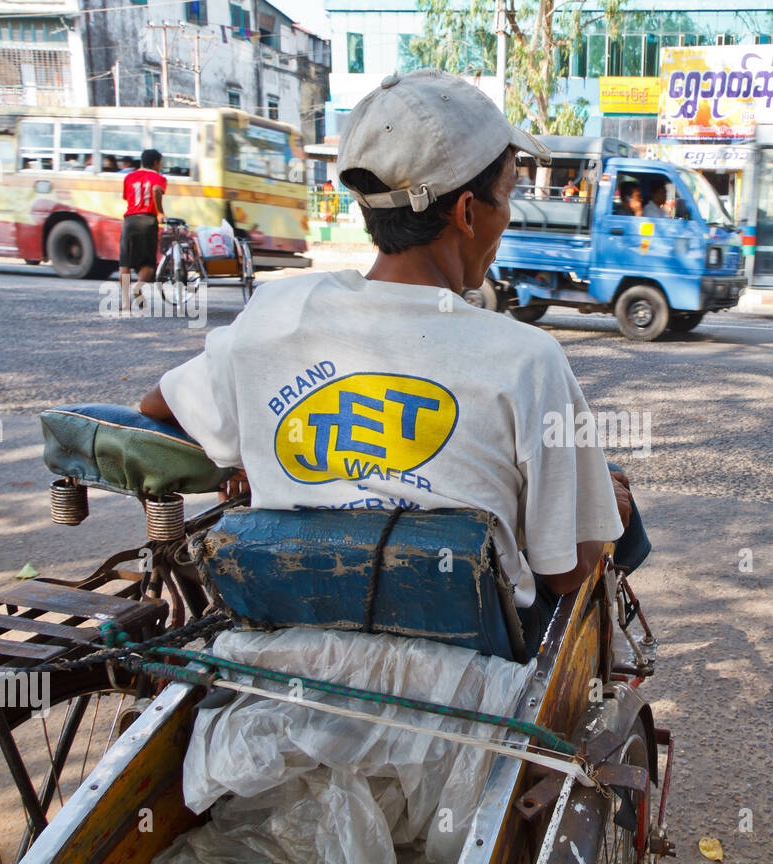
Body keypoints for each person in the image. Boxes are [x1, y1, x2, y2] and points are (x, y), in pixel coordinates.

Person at [138, 68, 633, 643]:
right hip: (469, 677)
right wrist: (608, 516)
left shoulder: (277, 311)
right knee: (613, 511)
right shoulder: (526, 357)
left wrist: (261, 450)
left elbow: (156, 404)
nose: (507, 219)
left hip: (291, 644)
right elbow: (565, 569)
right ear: (468, 213)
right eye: (507, 199)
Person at [119, 148, 166, 313]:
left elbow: (127, 197)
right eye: (160, 162)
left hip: (130, 220)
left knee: (125, 262)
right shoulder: (158, 178)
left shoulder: (129, 177)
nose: (160, 166)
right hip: (148, 220)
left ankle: (125, 302)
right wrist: (160, 211)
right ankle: (137, 289)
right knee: (148, 263)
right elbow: (155, 190)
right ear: (155, 162)